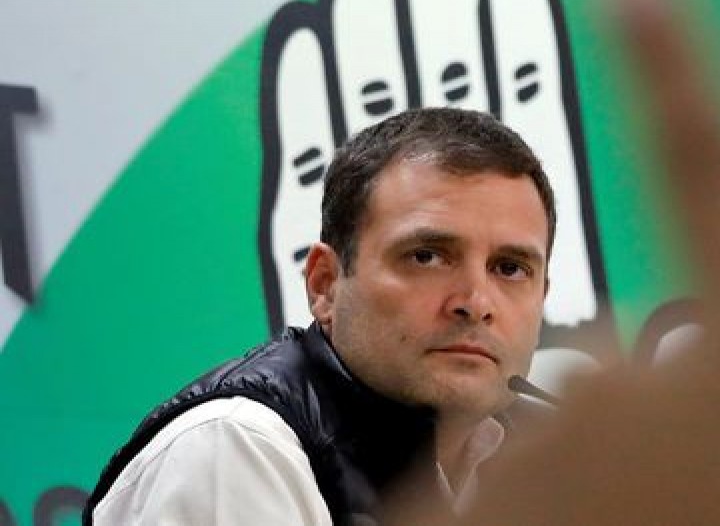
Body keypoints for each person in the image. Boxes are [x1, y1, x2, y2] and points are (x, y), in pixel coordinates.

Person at [83, 107, 556, 525]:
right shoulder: (239, 449)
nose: (475, 301)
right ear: (325, 284)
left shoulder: (549, 458)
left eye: (510, 268)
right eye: (426, 256)